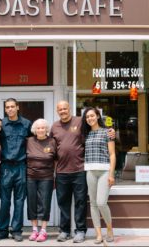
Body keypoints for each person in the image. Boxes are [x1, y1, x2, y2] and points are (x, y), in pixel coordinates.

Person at [49, 100, 115, 243]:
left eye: (65, 109)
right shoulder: (54, 127)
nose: (63, 111)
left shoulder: (80, 121)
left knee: (80, 202)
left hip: (80, 170)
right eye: (60, 110)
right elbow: (52, 150)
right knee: (63, 203)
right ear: (57, 111)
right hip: (61, 171)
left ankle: (80, 231)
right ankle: (64, 231)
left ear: (70, 109)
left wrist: (111, 130)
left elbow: (96, 126)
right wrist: (54, 174)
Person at [0, 98, 33, 242]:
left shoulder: (26, 124)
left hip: (22, 167)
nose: (10, 109)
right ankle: (3, 230)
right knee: (4, 200)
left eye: (12, 106)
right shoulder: (1, 124)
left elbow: (35, 142)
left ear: (17, 107)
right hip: (5, 167)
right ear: (5, 109)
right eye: (7, 107)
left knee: (19, 200)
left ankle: (16, 230)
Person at [81, 107, 116, 244]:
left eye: (92, 116)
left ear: (98, 116)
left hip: (104, 171)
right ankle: (99, 234)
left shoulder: (108, 132)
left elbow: (112, 155)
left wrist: (112, 174)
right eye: (87, 117)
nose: (90, 118)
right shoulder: (85, 134)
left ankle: (109, 229)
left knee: (101, 202)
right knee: (94, 204)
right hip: (90, 170)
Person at [26, 119, 57, 242]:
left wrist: (55, 177)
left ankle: (43, 231)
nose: (40, 130)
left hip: (47, 177)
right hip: (30, 176)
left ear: (46, 129)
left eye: (42, 128)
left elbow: (56, 161)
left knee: (44, 203)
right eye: (38, 128)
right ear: (34, 129)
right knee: (32, 203)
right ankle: (34, 230)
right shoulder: (28, 141)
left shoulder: (52, 141)